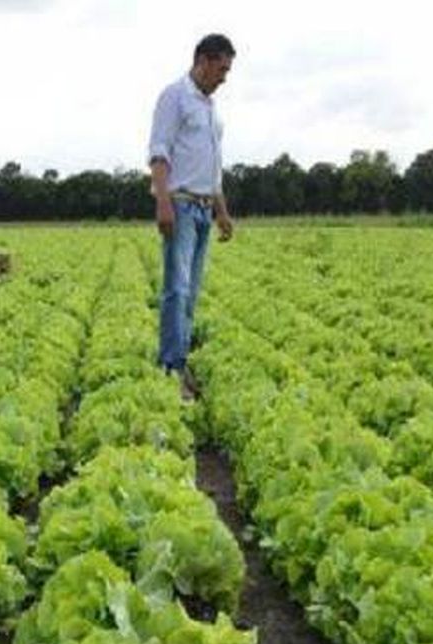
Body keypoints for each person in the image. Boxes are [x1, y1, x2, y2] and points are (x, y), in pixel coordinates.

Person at [147, 33, 236, 394]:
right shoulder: (175, 96)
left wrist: (222, 212)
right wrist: (163, 201)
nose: (224, 77)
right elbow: (159, 151)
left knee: (192, 292)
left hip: (202, 208)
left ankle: (178, 362)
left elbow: (213, 169)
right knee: (177, 290)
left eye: (228, 70)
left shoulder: (211, 110)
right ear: (202, 60)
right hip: (180, 205)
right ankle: (172, 367)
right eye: (221, 68)